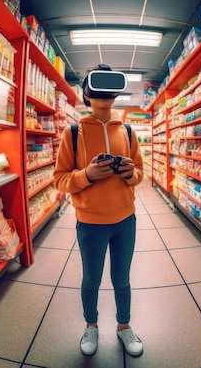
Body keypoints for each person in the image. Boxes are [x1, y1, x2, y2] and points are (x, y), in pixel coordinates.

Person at [53, 65, 144, 357]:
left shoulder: (129, 131)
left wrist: (131, 174)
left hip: (125, 220)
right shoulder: (74, 132)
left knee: (123, 279)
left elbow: (141, 171)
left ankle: (124, 326)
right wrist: (88, 175)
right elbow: (60, 180)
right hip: (90, 223)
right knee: (91, 279)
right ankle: (91, 325)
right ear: (87, 94)